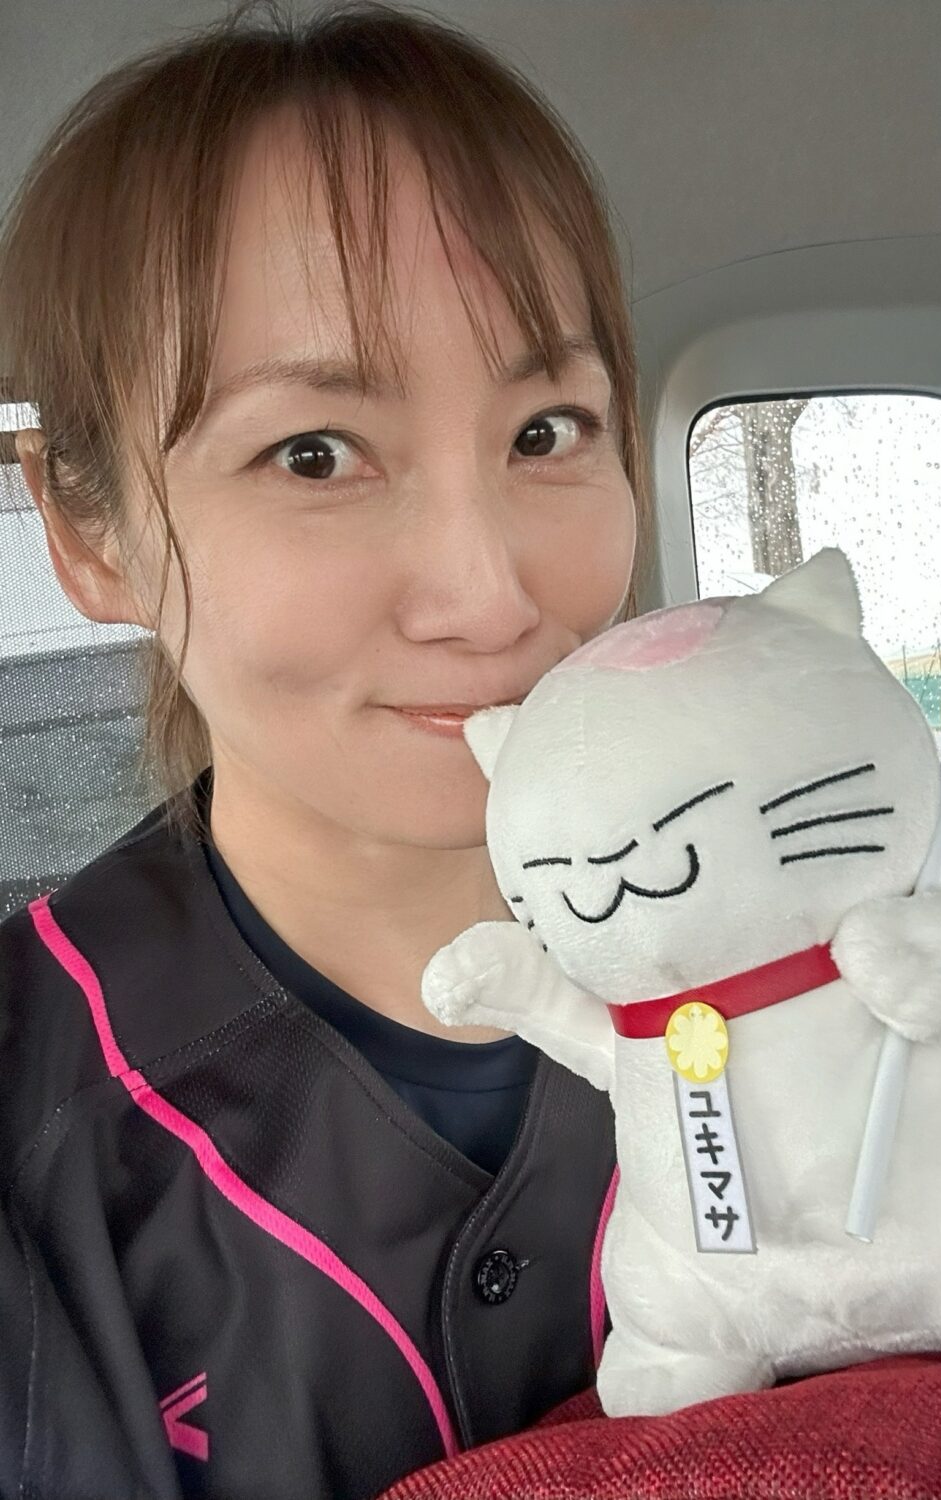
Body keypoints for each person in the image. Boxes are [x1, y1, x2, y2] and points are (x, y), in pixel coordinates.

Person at [0, 6, 646, 1496]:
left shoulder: (823, 955)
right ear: (89, 534)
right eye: (314, 454)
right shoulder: (38, 1132)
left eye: (546, 432)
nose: (489, 597)